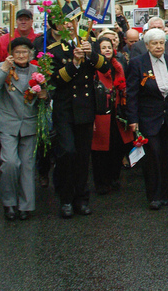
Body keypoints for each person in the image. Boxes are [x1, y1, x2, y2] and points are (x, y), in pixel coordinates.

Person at [50, 25, 110, 218]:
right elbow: (55, 80)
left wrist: (90, 54)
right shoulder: (55, 49)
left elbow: (105, 67)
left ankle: (82, 199)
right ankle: (66, 199)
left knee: (83, 156)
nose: (69, 25)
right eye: (65, 22)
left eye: (73, 21)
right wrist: (74, 62)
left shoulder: (91, 43)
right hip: (65, 108)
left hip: (85, 107)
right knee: (67, 152)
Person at [126, 29, 168, 210]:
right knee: (153, 155)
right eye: (154, 43)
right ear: (147, 46)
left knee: (167, 157)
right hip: (148, 118)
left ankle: (164, 194)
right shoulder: (138, 63)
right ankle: (153, 195)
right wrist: (133, 118)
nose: (159, 46)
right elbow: (132, 94)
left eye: (161, 43)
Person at [0, 37, 45, 220]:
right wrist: (3, 70)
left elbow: (47, 93)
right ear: (11, 54)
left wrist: (45, 94)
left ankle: (26, 205)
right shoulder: (4, 69)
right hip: (8, 123)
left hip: (29, 123)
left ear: (30, 54)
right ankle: (9, 203)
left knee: (27, 165)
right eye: (17, 52)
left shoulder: (38, 71)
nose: (20, 55)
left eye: (24, 52)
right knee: (10, 163)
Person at [91, 37, 133, 195]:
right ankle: (101, 182)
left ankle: (114, 176)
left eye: (109, 47)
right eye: (103, 47)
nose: (107, 50)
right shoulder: (94, 68)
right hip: (101, 113)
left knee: (119, 146)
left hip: (118, 112)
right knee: (100, 150)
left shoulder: (119, 66)